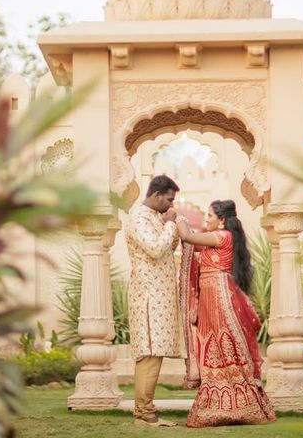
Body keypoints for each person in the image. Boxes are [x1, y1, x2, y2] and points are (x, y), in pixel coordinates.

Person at [177, 199, 276, 428]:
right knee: (213, 348)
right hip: (210, 300)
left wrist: (179, 216)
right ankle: (219, 406)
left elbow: (188, 237)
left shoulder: (223, 237)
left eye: (210, 216)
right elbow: (193, 244)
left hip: (220, 298)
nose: (206, 220)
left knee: (226, 346)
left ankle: (241, 404)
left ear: (222, 220)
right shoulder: (214, 240)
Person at [124, 175, 181, 427]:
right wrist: (170, 224)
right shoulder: (138, 218)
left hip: (159, 295)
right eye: (169, 199)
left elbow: (168, 247)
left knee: (154, 353)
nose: (171, 205)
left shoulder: (156, 217)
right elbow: (156, 249)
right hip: (147, 296)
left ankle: (145, 412)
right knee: (148, 353)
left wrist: (172, 226)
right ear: (157, 195)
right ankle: (144, 414)